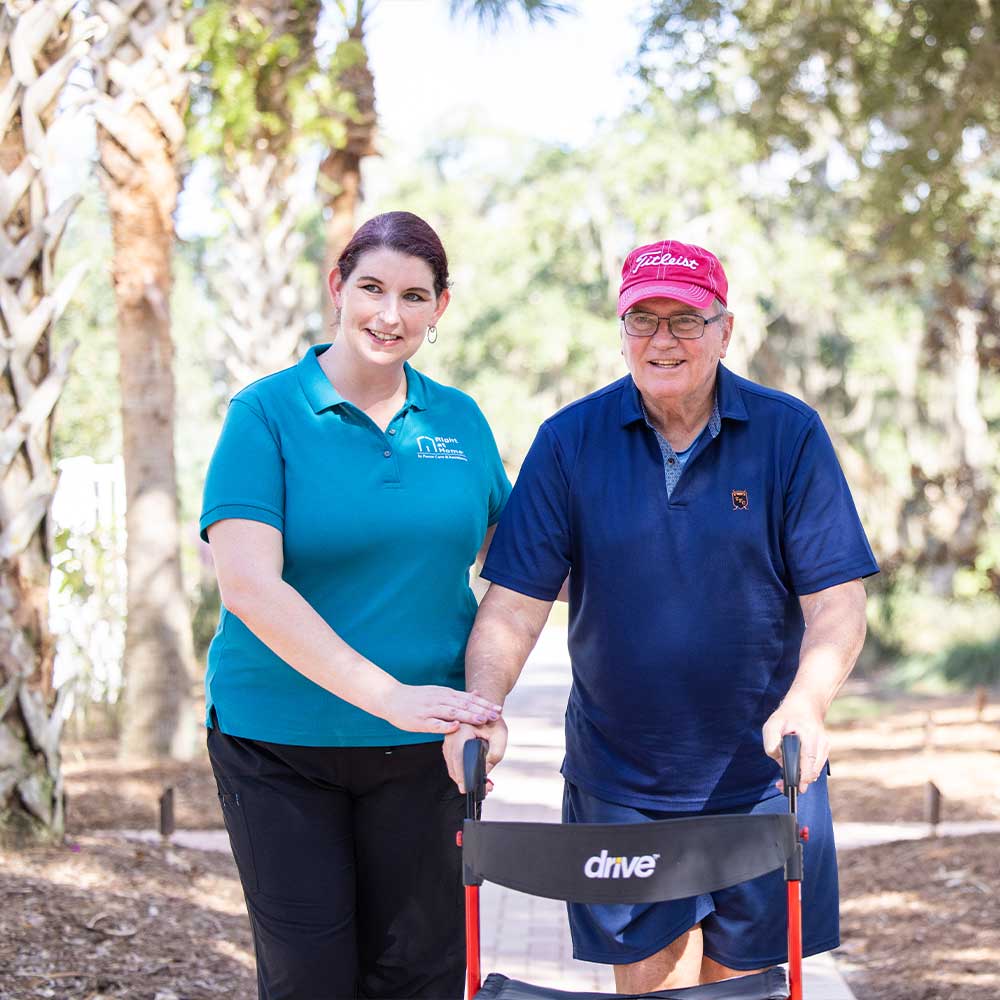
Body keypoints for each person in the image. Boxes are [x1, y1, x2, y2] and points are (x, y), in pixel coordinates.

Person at [444, 239, 878, 993]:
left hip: (766, 779)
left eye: (685, 320)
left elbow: (836, 599)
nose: (663, 341)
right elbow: (514, 606)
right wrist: (485, 707)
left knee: (746, 989)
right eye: (643, 320)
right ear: (620, 330)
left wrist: (808, 701)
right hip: (621, 785)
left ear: (725, 329)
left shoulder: (789, 434)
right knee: (651, 990)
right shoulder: (568, 442)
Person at [201, 211, 511, 1000]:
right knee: (312, 979)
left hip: (425, 751)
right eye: (371, 287)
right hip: (278, 746)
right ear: (338, 287)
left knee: (423, 975)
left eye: (414, 296)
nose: (389, 314)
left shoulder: (459, 421)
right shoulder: (266, 414)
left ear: (440, 308)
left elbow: (521, 567)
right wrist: (388, 697)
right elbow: (247, 584)